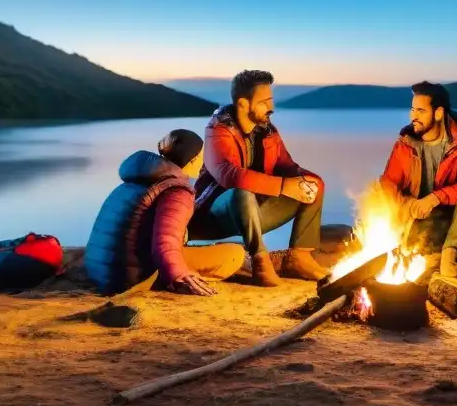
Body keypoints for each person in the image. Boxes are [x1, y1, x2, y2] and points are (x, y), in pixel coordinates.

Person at [187, 70, 327, 287]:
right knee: (241, 194)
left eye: (271, 101)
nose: (271, 108)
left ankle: (300, 257)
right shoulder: (218, 130)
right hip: (215, 216)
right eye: (264, 102)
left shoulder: (268, 131)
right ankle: (260, 262)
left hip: (256, 214)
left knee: (314, 184)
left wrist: (302, 180)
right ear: (243, 104)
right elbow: (228, 176)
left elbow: (286, 165)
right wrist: (282, 186)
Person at [85, 129, 245, 297]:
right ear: (193, 158)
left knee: (186, 246)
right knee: (235, 254)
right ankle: (183, 277)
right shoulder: (177, 190)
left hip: (100, 271)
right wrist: (179, 275)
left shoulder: (133, 183)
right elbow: (165, 241)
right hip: (131, 277)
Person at [379, 81, 457, 279]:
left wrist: (436, 198)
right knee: (378, 203)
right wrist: (408, 203)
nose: (413, 116)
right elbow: (388, 183)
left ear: (438, 113)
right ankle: (435, 260)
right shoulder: (405, 143)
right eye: (412, 110)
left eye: (421, 111)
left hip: (451, 218)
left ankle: (449, 260)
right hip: (418, 217)